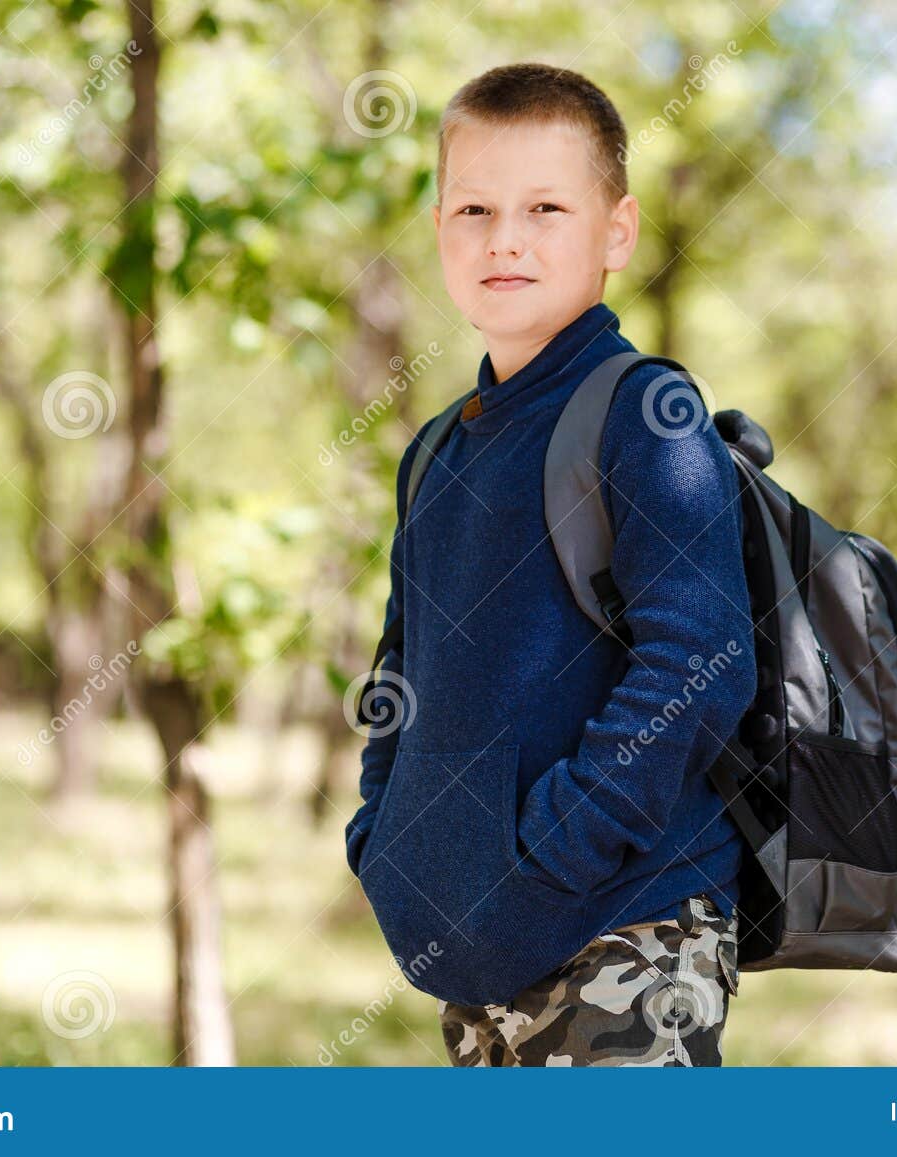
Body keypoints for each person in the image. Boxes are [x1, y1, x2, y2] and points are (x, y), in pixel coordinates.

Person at [345, 61, 756, 1066]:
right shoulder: (436, 450)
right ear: (439, 225)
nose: (506, 238)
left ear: (616, 231)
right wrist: (384, 835)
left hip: (628, 932)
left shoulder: (646, 418)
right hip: (477, 942)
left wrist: (554, 848)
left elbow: (703, 661)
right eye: (475, 208)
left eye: (545, 207)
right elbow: (404, 670)